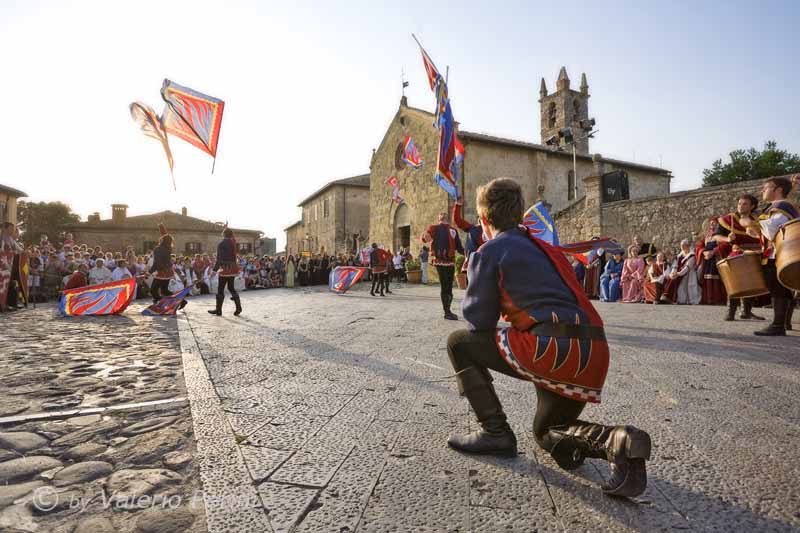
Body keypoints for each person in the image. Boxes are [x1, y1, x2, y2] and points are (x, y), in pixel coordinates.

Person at [446, 177, 651, 498]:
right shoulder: (548, 248)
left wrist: (476, 273)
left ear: (484, 220)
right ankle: (617, 440)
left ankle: (495, 432)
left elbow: (477, 322)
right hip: (594, 349)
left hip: (551, 348)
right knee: (548, 435)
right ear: (519, 214)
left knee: (458, 342)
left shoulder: (490, 250)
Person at [749, 177, 799, 335]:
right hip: (777, 252)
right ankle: (783, 323)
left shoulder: (782, 205)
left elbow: (773, 229)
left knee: (778, 289)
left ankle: (778, 325)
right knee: (781, 289)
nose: (763, 190)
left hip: (779, 254)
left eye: (766, 187)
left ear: (778, 189)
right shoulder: (776, 206)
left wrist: (752, 223)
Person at [713, 194, 765, 321]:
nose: (741, 206)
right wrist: (727, 238)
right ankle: (731, 312)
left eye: (745, 204)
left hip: (755, 252)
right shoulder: (728, 219)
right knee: (735, 281)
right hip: (737, 252)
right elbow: (716, 236)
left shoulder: (758, 219)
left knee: (753, 282)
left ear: (752, 206)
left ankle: (746, 311)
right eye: (739, 203)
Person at [421, 211, 464, 320]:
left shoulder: (453, 230)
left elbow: (459, 247)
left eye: (444, 215)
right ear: (439, 218)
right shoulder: (434, 228)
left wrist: (470, 253)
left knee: (449, 286)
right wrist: (426, 236)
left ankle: (448, 310)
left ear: (447, 218)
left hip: (450, 261)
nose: (443, 215)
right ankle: (447, 312)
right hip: (440, 261)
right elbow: (425, 237)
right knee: (445, 286)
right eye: (441, 215)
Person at [209, 226, 242, 316]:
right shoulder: (233, 243)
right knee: (231, 288)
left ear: (223, 234)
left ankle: (218, 310)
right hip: (232, 268)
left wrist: (214, 270)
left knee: (220, 289)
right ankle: (238, 307)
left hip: (225, 269)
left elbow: (219, 259)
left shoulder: (221, 244)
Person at [453, 196, 486, 284]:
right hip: (472, 265)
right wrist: (458, 205)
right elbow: (458, 221)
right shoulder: (472, 228)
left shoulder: (495, 231)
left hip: (486, 266)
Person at [695, 217, 726, 305]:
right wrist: (704, 252)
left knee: (716, 278)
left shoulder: (720, 235)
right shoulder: (706, 236)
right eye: (711, 223)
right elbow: (699, 246)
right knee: (706, 277)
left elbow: (724, 245)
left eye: (714, 223)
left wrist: (713, 252)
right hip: (707, 260)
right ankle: (708, 299)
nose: (712, 225)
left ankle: (717, 299)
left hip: (716, 258)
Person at [663, 240, 701, 304]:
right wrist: (673, 272)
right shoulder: (680, 255)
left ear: (687, 246)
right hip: (678, 273)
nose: (682, 247)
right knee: (671, 278)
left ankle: (672, 298)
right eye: (681, 245)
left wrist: (678, 274)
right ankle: (668, 297)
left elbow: (687, 267)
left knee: (675, 279)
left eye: (683, 245)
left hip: (688, 274)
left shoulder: (692, 256)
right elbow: (675, 265)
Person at [149, 224, 175, 303]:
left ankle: (158, 301)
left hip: (162, 271)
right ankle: (181, 301)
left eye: (161, 238)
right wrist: (162, 229)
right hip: (168, 271)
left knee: (153, 290)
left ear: (162, 240)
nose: (159, 239)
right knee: (164, 291)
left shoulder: (158, 249)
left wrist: (149, 272)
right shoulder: (168, 248)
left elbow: (157, 263)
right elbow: (166, 236)